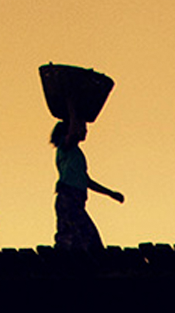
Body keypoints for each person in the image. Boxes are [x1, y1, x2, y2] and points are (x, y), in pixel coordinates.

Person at [53, 106, 124, 250]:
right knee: (83, 239)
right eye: (82, 126)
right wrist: (73, 108)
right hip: (68, 199)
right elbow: (72, 133)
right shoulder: (65, 148)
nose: (85, 130)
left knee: (80, 240)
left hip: (76, 201)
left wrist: (110, 193)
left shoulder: (76, 154)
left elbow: (87, 181)